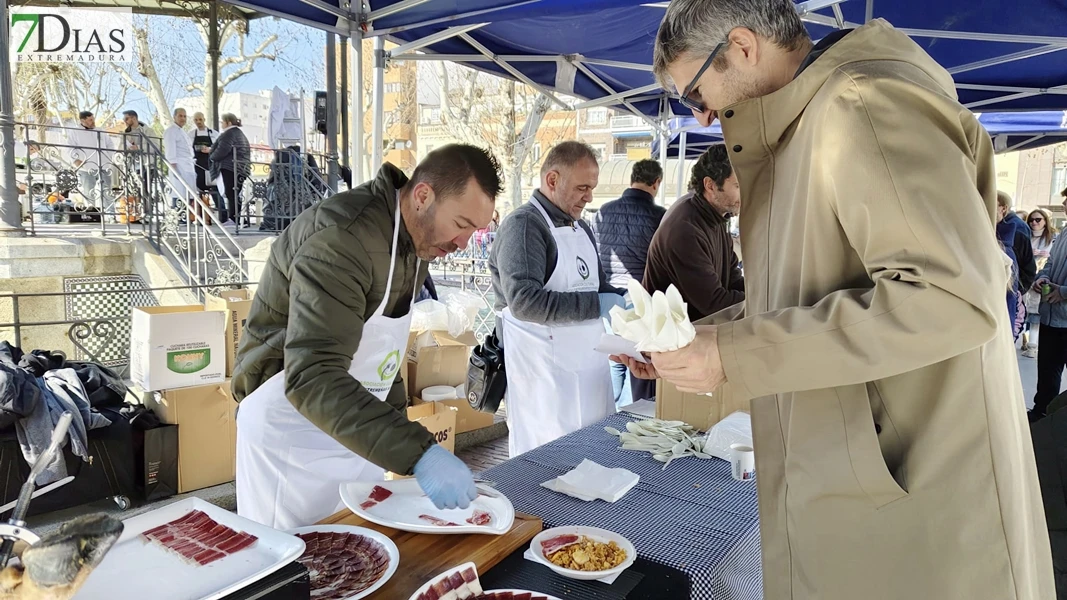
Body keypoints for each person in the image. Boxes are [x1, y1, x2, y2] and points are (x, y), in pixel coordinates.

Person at [619, 3, 1053, 599]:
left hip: (911, 492)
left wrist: (734, 355)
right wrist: (692, 345)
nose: (702, 114)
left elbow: (950, 296)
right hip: (856, 481)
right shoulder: (806, 126)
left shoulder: (863, 104)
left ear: (742, 46)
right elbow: (803, 295)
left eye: (696, 90)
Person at [233, 144, 502, 530]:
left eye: (474, 231)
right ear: (423, 196)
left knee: (358, 555)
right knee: (295, 572)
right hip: (292, 439)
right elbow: (313, 376)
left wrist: (398, 433)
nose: (464, 243)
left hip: (351, 433)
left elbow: (383, 353)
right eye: (461, 225)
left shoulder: (415, 243)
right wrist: (418, 453)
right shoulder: (342, 239)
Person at [488, 141, 625, 457]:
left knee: (594, 454)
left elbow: (599, 286)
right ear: (552, 180)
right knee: (549, 463)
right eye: (582, 187)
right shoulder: (524, 226)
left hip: (590, 369)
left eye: (591, 188)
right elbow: (525, 302)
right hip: (544, 380)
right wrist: (597, 304)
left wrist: (625, 301)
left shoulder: (582, 227)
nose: (589, 197)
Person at [590, 158, 666, 407]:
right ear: (656, 183)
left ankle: (605, 417)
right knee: (636, 363)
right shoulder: (660, 217)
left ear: (631, 178)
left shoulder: (602, 212)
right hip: (641, 300)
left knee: (614, 361)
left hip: (609, 299)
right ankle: (624, 417)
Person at [1031, 188, 1067, 423]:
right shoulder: (1064, 232)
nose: (1064, 203)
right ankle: (1041, 412)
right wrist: (1041, 278)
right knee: (1047, 369)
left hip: (1064, 316)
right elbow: (1051, 262)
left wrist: (1063, 293)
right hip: (1051, 316)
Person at [1023, 208, 1056, 358]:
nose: (1034, 223)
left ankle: (1032, 347)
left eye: (1038, 220)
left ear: (1045, 221)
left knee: (1036, 315)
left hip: (1042, 279)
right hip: (1025, 278)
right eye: (1031, 220)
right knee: (1022, 311)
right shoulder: (1025, 235)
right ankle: (1023, 342)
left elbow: (1054, 259)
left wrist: (1047, 254)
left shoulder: (1053, 238)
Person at [209, 113, 251, 227]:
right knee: (235, 193)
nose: (221, 124)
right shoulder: (239, 133)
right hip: (241, 167)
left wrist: (212, 156)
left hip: (230, 167)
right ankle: (238, 218)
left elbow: (223, 149)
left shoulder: (229, 134)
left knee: (231, 192)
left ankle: (233, 219)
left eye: (222, 121)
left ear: (228, 122)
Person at [65, 111, 114, 206]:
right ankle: (92, 214)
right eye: (90, 120)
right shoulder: (75, 132)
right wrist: (75, 160)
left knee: (107, 191)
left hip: (104, 165)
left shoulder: (100, 130)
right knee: (89, 192)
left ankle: (110, 215)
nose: (93, 121)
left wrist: (109, 156)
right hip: (86, 167)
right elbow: (70, 147)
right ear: (83, 120)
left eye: (93, 119)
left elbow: (110, 144)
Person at [997, 191, 1036, 293]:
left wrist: (1018, 292)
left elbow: (1025, 266)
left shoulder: (1017, 229)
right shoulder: (1001, 225)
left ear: (1003, 208)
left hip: (1010, 291)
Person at [163, 108, 196, 212]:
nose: (183, 118)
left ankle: (188, 214)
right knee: (179, 190)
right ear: (175, 117)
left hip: (188, 164)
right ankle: (180, 214)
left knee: (189, 191)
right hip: (178, 164)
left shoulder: (183, 132)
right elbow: (170, 150)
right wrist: (173, 167)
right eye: (180, 116)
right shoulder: (170, 131)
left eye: (184, 116)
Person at [188, 112, 219, 202]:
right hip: (197, 167)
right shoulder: (190, 135)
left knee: (215, 191)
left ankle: (222, 214)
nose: (198, 122)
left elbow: (220, 148)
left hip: (211, 166)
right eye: (196, 120)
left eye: (200, 119)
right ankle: (200, 213)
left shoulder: (214, 134)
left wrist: (210, 149)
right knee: (198, 192)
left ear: (204, 119)